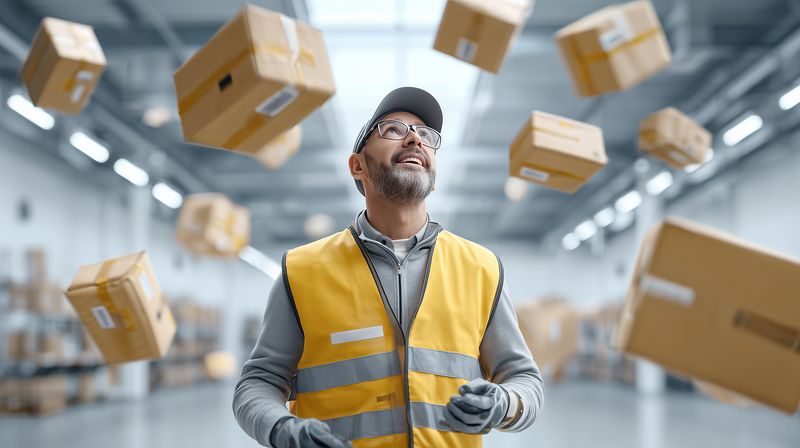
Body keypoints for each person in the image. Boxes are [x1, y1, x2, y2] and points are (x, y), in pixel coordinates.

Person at [233, 87, 543, 447]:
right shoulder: (302, 271)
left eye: (426, 135)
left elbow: (524, 378)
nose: (414, 138)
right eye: (393, 130)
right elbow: (258, 383)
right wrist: (282, 430)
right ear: (357, 166)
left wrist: (506, 404)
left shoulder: (481, 269)